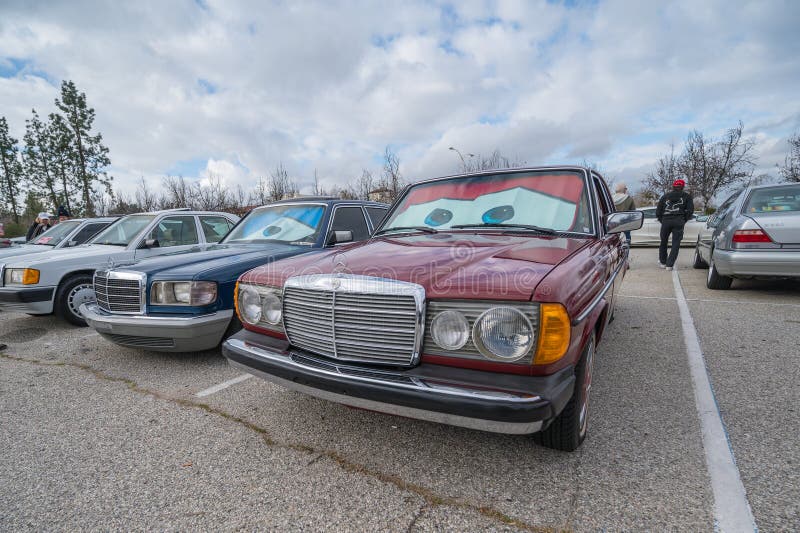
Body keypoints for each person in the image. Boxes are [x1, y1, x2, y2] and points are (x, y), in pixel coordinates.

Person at [656, 179, 694, 270]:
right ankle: (669, 264)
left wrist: (663, 220)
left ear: (673, 186)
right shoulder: (687, 197)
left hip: (666, 220)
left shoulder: (665, 196)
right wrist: (683, 220)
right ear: (683, 187)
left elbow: (658, 211)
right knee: (676, 243)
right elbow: (690, 211)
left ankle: (663, 262)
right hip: (679, 220)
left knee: (663, 241)